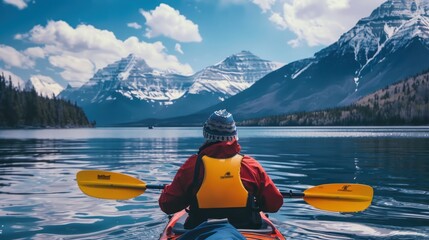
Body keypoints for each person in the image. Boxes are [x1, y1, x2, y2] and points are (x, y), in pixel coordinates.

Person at [159, 109, 283, 230]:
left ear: (206, 135)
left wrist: (167, 190)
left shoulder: (192, 166)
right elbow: (274, 205)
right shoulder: (251, 166)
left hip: (200, 230)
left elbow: (168, 206)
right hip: (246, 229)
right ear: (234, 136)